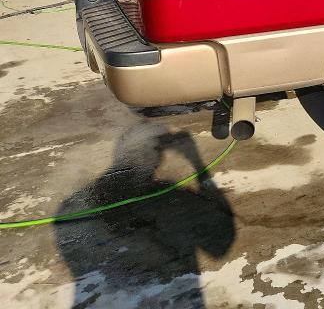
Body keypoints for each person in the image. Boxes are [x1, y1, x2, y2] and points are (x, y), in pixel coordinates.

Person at [55, 127, 235, 307]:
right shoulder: (171, 199)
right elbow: (220, 243)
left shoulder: (72, 207)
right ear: (154, 158)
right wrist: (195, 160)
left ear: (120, 155)